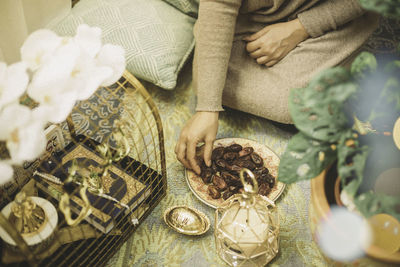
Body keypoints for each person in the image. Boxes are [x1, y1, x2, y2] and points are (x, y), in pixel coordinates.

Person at [175, 0, 379, 174]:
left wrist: (301, 28)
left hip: (325, 13)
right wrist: (207, 108)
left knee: (296, 104)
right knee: (210, 80)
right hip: (250, 17)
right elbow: (219, 8)